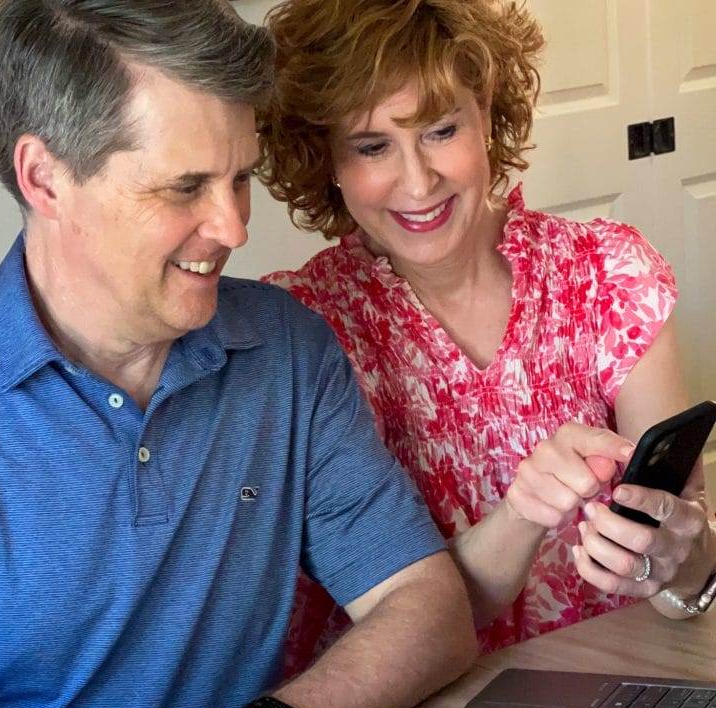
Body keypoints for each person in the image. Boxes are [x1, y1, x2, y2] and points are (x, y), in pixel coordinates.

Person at [0, 0, 476, 708]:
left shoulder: (284, 349)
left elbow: (427, 603)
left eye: (242, 180)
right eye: (184, 187)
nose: (233, 227)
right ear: (43, 176)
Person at [258, 0, 715, 673]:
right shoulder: (303, 334)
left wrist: (685, 563)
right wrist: (524, 512)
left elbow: (687, 562)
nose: (418, 182)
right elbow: (391, 626)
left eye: (441, 131)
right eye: (372, 146)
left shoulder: (608, 274)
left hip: (618, 694)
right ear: (323, 156)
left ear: (488, 113)